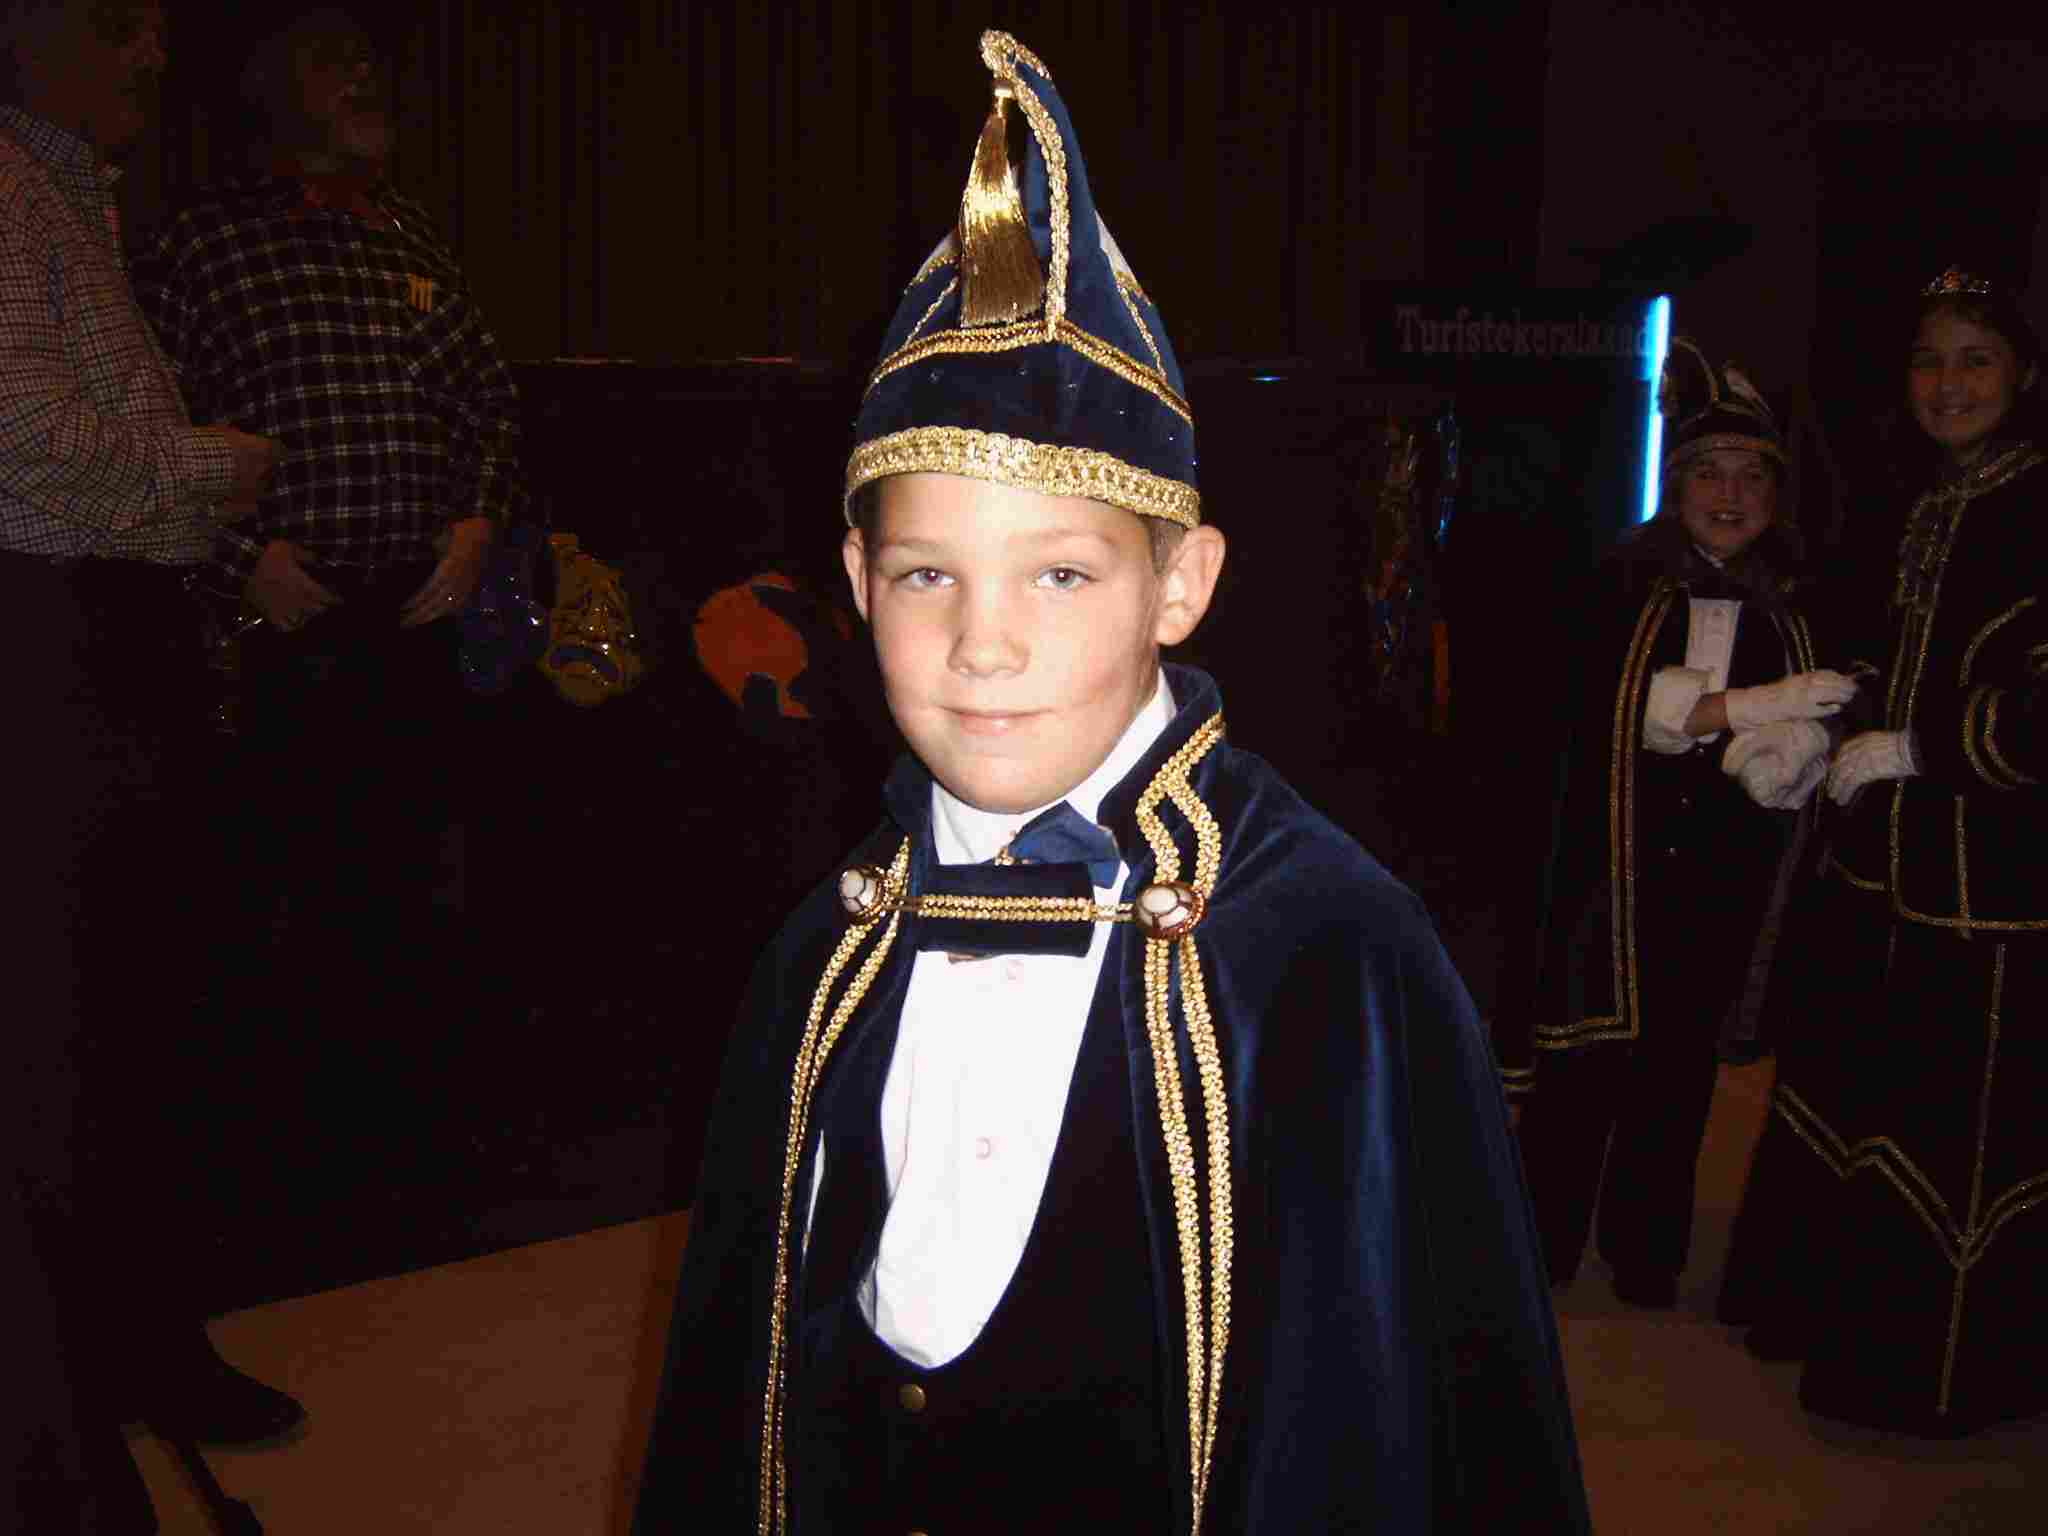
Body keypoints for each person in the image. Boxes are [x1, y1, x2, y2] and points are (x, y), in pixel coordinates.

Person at [630, 31, 1588, 1535]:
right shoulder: (826, 946)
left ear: (1180, 584)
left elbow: (1392, 1417)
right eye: (927, 574)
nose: (983, 644)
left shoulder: (1328, 956)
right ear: (856, 585)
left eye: (1061, 573)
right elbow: (747, 1374)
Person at [2, 1, 298, 1527]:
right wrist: (215, 471)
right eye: (118, 25)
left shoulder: (64, 185)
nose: (154, 57)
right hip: (44, 639)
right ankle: (66, 1414)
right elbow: (26, 445)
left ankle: (128, 1353)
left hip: (96, 633)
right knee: (62, 1054)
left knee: (134, 1037)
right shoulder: (5, 181)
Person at [129, 6, 527, 1054]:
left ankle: (406, 1105)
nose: (364, 78)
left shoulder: (408, 234)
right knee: (281, 913)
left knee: (413, 899)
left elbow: (488, 404)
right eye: (333, 59)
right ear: (266, 83)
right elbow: (145, 436)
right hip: (279, 631)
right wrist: (239, 562)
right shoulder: (198, 243)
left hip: (416, 618)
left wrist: (476, 526)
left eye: (369, 58)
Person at [1718, 268, 2048, 1436]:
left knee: (1952, 1127)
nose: (1946, 384)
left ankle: (1941, 1377)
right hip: (1880, 875)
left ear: (2020, 374)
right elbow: (1882, 650)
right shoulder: (1921, 498)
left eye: (1973, 360)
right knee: (1857, 1096)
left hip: (1988, 888)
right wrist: (1818, 724)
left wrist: (1920, 748)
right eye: (1927, 361)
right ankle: (1826, 1324)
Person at [1499, 338, 1856, 1308]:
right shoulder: (1617, 578)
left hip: (1726, 867)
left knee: (1681, 1063)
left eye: (1751, 477)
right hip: (1612, 866)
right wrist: (1740, 710)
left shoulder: (1795, 599)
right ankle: (1542, 1242)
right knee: (1584, 1058)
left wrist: (1793, 753)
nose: (1730, 496)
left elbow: (1829, 713)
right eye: (1708, 474)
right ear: (1675, 484)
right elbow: (1590, 710)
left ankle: (1646, 1246)